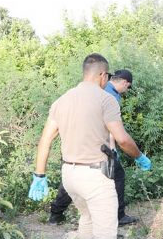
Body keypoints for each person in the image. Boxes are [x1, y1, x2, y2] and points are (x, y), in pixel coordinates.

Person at [28, 54, 152, 239]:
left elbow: (45, 140)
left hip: (69, 174)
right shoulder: (105, 98)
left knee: (86, 218)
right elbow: (121, 138)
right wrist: (139, 156)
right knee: (107, 235)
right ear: (102, 76)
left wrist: (39, 175)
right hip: (95, 175)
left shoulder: (61, 100)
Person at [48, 69, 138, 227]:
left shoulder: (87, 92)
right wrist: (114, 148)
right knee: (117, 175)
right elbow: (111, 128)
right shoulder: (109, 96)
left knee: (74, 175)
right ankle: (118, 216)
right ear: (124, 82)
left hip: (76, 143)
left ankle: (56, 214)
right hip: (97, 147)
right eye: (128, 87)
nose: (126, 91)